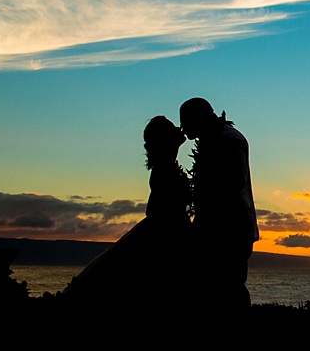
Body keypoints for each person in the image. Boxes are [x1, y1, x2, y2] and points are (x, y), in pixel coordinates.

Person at [65, 115, 191, 302]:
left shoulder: (166, 166)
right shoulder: (163, 169)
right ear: (165, 139)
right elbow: (158, 209)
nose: (179, 129)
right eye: (173, 127)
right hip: (167, 232)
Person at [179, 97, 259, 308]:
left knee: (229, 288)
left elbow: (232, 185)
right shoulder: (218, 138)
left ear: (198, 119)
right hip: (221, 229)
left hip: (230, 231)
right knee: (220, 288)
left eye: (185, 122)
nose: (182, 129)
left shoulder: (228, 140)